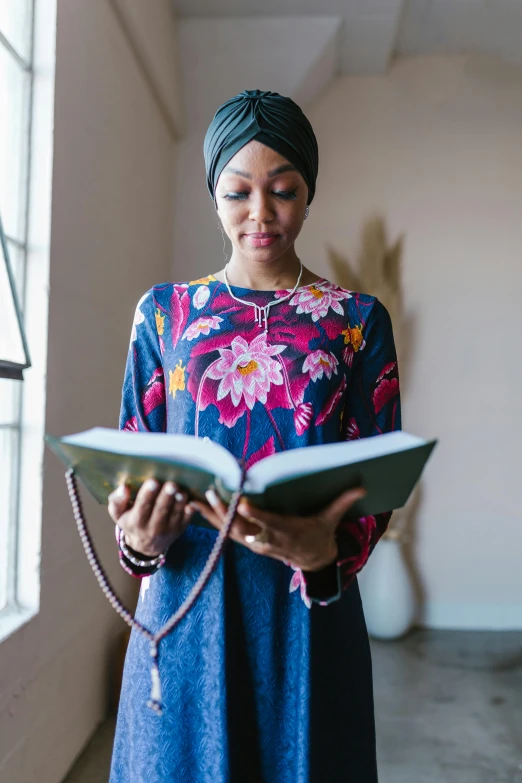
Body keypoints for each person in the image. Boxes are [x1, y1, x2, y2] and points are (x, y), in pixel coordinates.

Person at [108, 89, 401, 783]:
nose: (261, 213)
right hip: (186, 610)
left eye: (283, 190)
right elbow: (131, 465)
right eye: (239, 192)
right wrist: (138, 542)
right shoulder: (164, 315)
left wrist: (326, 549)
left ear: (309, 191)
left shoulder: (356, 320)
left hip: (306, 612)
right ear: (214, 193)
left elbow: (378, 482)